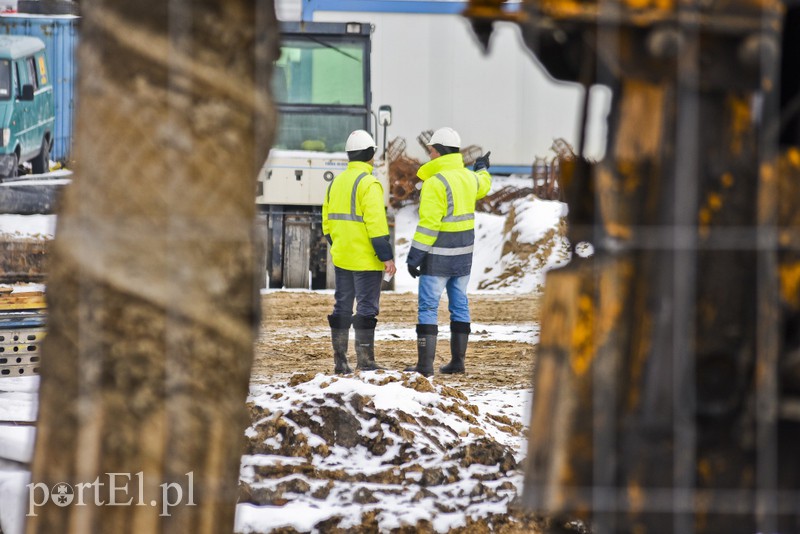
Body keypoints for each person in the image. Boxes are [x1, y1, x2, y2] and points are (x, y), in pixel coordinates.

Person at [404, 127, 492, 377]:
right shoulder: (469, 177)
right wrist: (483, 166)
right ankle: (458, 362)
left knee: (428, 308)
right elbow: (483, 184)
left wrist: (414, 257)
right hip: (463, 257)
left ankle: (424, 366)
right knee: (460, 304)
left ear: (439, 152)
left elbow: (429, 225)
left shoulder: (435, 183)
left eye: (431, 151)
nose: (429, 155)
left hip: (438, 258)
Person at [322, 129, 397, 374]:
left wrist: (340, 245)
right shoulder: (369, 184)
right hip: (366, 260)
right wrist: (386, 256)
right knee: (366, 308)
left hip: (343, 257)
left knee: (342, 306)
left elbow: (326, 223)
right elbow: (376, 225)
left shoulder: (336, 183)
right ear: (370, 155)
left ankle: (340, 361)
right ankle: (364, 361)